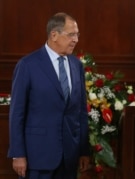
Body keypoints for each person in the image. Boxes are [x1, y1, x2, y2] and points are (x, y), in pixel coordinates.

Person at [8, 12, 90, 179]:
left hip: (69, 157)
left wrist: (84, 151)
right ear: (54, 35)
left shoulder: (76, 65)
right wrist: (18, 154)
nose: (76, 40)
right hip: (37, 156)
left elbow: (81, 111)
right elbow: (16, 113)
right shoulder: (28, 65)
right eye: (71, 35)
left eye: (77, 35)